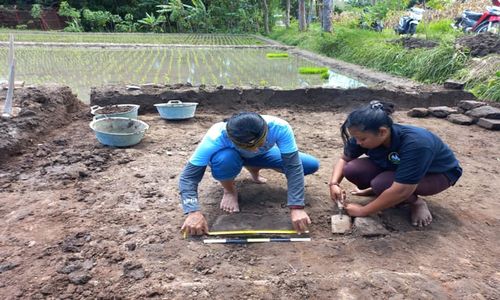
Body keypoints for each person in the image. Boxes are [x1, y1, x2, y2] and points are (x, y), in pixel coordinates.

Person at [179, 112, 320, 235]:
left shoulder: (280, 127)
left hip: (264, 155)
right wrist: (192, 211)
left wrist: (297, 207)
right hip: (230, 157)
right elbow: (188, 177)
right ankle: (229, 190)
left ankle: (253, 166)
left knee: (309, 165)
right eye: (247, 146)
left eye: (258, 144)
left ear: (266, 131)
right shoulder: (215, 136)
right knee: (225, 159)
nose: (253, 149)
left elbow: (293, 166)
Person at [329, 101, 462, 227]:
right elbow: (344, 159)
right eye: (356, 138)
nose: (358, 142)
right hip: (397, 165)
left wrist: (363, 211)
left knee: (382, 184)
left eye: (362, 139)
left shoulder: (416, 144)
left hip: (437, 174)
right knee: (353, 169)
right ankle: (380, 191)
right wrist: (334, 184)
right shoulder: (365, 134)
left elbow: (402, 189)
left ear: (382, 132)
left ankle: (416, 202)